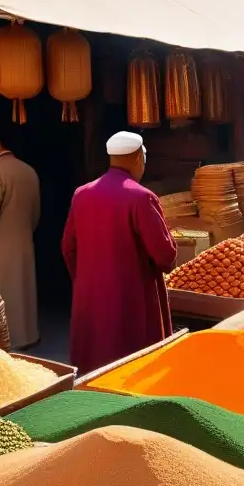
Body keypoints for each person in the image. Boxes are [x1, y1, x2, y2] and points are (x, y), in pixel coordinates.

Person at [62, 132, 177, 373]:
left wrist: (84, 280)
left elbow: (68, 248)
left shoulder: (81, 194)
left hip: (91, 296)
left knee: (93, 363)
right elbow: (165, 256)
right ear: (138, 159)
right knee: (133, 364)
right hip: (132, 298)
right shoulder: (141, 197)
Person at [0, 124, 40, 349]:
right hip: (24, 245)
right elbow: (35, 214)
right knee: (22, 300)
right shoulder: (29, 171)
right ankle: (26, 338)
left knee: (0, 301)